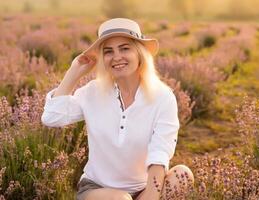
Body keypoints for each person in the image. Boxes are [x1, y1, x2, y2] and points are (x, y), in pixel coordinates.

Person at [41, 18, 194, 200]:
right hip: (98, 189)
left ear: (139, 53)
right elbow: (51, 117)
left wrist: (150, 195)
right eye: (108, 52)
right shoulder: (93, 92)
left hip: (143, 188)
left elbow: (159, 153)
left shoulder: (163, 96)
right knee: (121, 199)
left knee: (182, 175)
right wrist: (73, 73)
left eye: (124, 48)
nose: (116, 57)